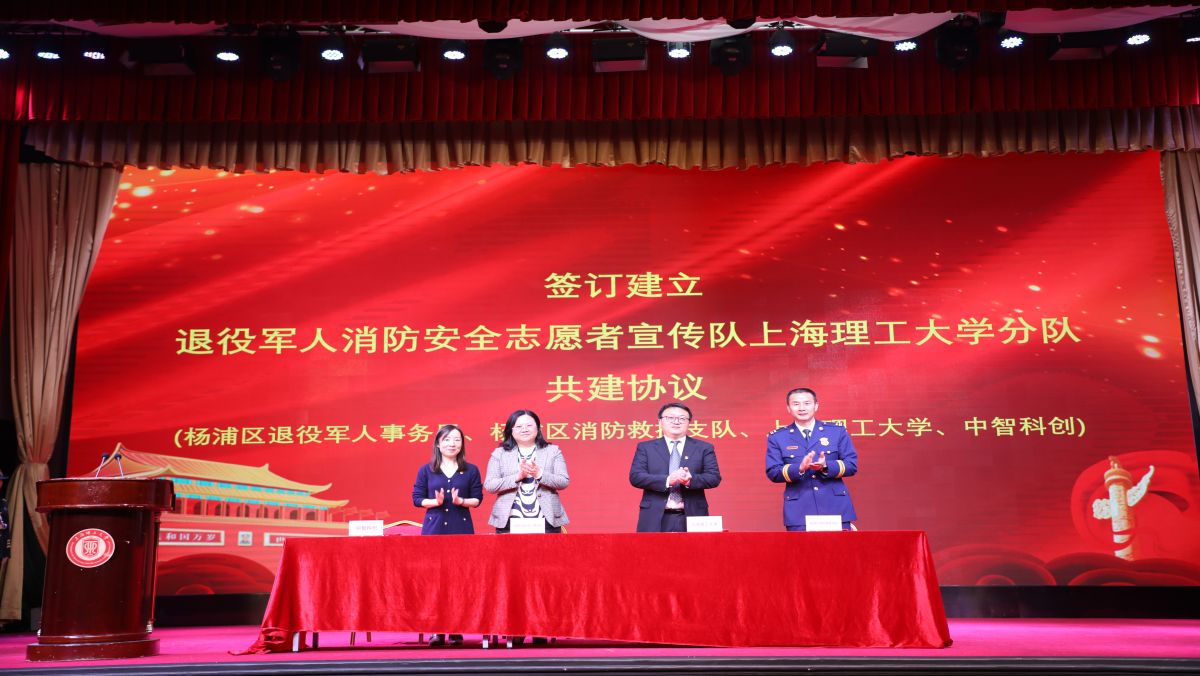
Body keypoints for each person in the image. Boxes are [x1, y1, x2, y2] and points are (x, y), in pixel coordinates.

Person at [412, 424, 482, 646]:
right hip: (434, 530)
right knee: (434, 581)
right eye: (447, 439)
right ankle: (436, 630)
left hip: (461, 528)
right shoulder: (426, 470)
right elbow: (417, 499)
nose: (452, 444)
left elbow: (478, 499)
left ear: (462, 444)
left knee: (459, 580)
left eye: (457, 440)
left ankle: (456, 629)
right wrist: (436, 502)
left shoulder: (471, 470)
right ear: (438, 443)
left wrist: (461, 501)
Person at [765, 387, 858, 531]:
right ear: (788, 408)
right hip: (799, 510)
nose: (802, 408)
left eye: (807, 403)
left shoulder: (836, 431)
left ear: (816, 406)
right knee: (801, 547)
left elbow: (851, 465)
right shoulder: (778, 437)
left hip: (835, 506)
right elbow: (773, 472)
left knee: (839, 547)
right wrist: (799, 468)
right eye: (796, 404)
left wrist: (826, 466)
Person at [628, 402, 722, 532]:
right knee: (651, 546)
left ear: (689, 423)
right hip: (654, 516)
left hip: (694, 516)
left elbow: (714, 478)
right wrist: (668, 480)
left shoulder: (704, 448)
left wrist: (690, 480)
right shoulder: (646, 448)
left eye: (682, 418)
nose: (676, 422)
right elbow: (636, 477)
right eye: (670, 418)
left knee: (696, 546)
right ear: (660, 422)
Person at [484, 409, 570, 534]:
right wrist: (517, 477)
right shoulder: (500, 453)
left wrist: (540, 474)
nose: (524, 429)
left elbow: (563, 481)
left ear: (538, 428)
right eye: (518, 426)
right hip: (508, 519)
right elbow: (490, 485)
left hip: (547, 519)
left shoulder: (553, 451)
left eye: (529, 425)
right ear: (511, 430)